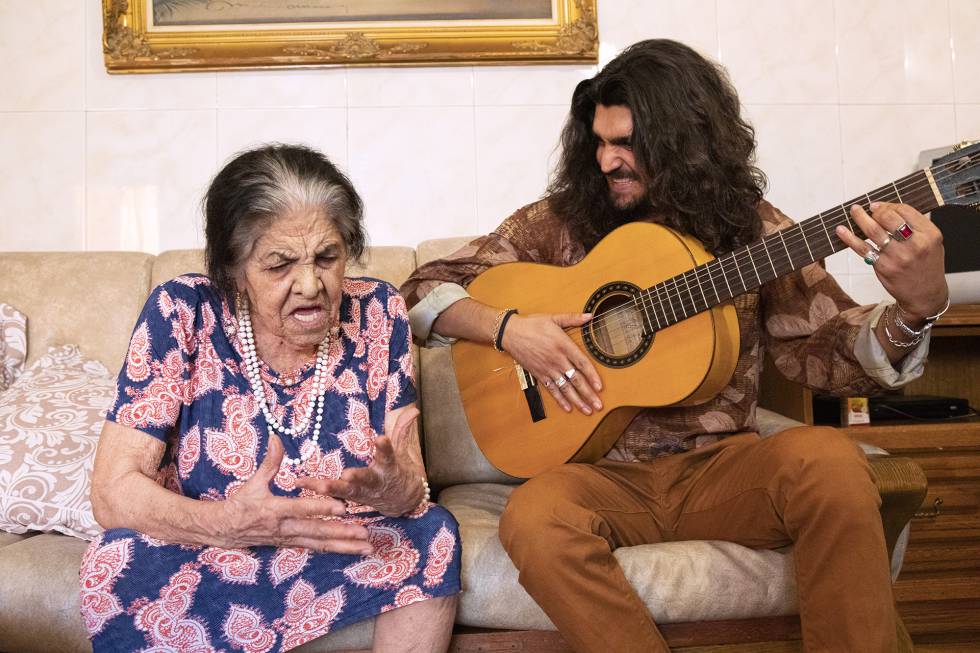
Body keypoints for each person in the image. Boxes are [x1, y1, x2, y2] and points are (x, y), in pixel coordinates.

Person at [400, 40, 947, 652]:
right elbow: (420, 289)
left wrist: (915, 309)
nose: (607, 161)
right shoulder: (555, 225)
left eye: (627, 143)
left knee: (835, 465)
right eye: (599, 143)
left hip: (724, 470)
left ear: (688, 140)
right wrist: (509, 330)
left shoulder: (755, 231)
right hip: (596, 475)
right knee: (533, 520)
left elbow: (825, 353)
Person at [83, 144, 461, 653]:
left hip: (340, 540)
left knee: (432, 532)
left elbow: (411, 491)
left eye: (327, 258)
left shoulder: (378, 311)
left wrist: (395, 490)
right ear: (233, 270)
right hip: (205, 541)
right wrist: (225, 524)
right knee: (118, 556)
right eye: (280, 264)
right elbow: (111, 491)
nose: (311, 284)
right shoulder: (181, 310)